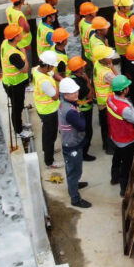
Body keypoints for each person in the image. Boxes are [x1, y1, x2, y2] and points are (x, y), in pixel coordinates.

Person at [57, 78, 92, 208]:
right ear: (65, 95)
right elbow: (83, 126)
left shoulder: (63, 103)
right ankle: (75, 198)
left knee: (71, 169)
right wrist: (80, 113)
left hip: (69, 141)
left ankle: (74, 185)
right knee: (74, 171)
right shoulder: (71, 111)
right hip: (72, 144)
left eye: (76, 91)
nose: (76, 94)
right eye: (73, 93)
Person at [106, 75, 134, 197]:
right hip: (126, 139)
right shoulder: (125, 108)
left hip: (115, 136)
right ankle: (124, 189)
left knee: (116, 158)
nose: (128, 87)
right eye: (127, 86)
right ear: (124, 90)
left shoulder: (110, 99)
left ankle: (114, 178)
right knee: (126, 164)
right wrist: (130, 104)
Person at [0, 24, 31, 140]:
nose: (21, 34)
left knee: (19, 105)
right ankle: (19, 131)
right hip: (14, 85)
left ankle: (20, 125)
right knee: (17, 108)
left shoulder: (5, 43)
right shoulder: (14, 55)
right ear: (15, 37)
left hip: (12, 82)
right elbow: (25, 69)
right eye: (19, 33)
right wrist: (24, 54)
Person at [33, 51, 62, 169]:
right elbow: (55, 96)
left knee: (47, 134)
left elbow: (53, 74)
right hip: (49, 111)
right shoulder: (45, 82)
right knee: (50, 135)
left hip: (42, 108)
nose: (54, 68)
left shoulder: (37, 70)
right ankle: (49, 161)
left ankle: (47, 150)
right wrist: (60, 86)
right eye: (53, 66)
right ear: (47, 66)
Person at [66, 55, 96, 161]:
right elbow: (90, 94)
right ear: (78, 69)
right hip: (84, 109)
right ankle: (84, 154)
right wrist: (87, 80)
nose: (84, 67)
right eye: (82, 66)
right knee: (87, 132)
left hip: (78, 109)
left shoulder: (71, 78)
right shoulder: (81, 82)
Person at [93, 46, 118, 154]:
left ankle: (105, 145)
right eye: (109, 57)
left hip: (101, 101)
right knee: (109, 127)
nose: (111, 58)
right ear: (103, 59)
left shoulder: (97, 64)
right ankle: (110, 148)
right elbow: (118, 82)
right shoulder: (106, 73)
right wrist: (112, 67)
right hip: (107, 103)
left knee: (104, 126)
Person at [6, 0, 33, 64]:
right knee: (27, 63)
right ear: (21, 0)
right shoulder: (19, 15)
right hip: (24, 44)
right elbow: (27, 29)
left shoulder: (9, 10)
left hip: (14, 42)